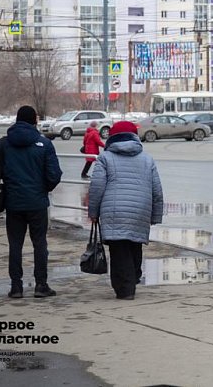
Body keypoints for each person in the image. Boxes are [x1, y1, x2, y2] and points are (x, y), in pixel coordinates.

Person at [0, 105, 63, 299]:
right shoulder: (44, 144)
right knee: (40, 244)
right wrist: (43, 189)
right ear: (34, 121)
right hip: (37, 202)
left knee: (15, 245)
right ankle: (41, 285)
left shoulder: (4, 143)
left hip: (13, 202)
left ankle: (16, 287)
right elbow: (54, 175)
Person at [87, 120, 163, 300]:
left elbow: (97, 187)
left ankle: (125, 289)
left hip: (114, 211)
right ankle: (133, 276)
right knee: (134, 245)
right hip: (140, 210)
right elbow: (157, 190)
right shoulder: (147, 159)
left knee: (119, 249)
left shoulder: (105, 158)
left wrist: (93, 212)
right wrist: (155, 214)